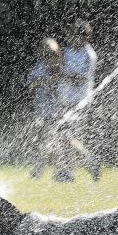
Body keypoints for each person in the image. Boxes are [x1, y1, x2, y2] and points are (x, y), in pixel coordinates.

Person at [54, 20, 100, 182]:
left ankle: (82, 165)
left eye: (73, 35)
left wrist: (66, 75)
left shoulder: (88, 54)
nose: (69, 38)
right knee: (65, 137)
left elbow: (83, 77)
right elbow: (58, 69)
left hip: (79, 102)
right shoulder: (66, 52)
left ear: (83, 38)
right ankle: (72, 170)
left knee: (66, 136)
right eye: (69, 35)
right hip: (65, 101)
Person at [27, 38, 62, 179]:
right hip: (41, 110)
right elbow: (31, 84)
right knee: (40, 142)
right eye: (44, 52)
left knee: (53, 142)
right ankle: (39, 169)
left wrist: (43, 82)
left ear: (56, 52)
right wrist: (41, 82)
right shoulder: (39, 66)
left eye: (50, 53)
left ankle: (59, 170)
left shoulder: (60, 66)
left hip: (56, 112)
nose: (46, 55)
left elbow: (60, 84)